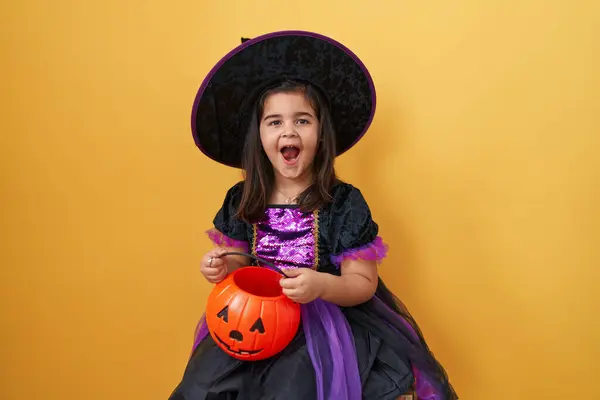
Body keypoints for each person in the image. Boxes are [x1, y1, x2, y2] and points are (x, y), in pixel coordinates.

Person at [170, 31, 458, 400]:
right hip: (252, 321)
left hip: (321, 329)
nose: (288, 130)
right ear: (258, 136)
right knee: (202, 388)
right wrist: (222, 267)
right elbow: (241, 262)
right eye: (274, 122)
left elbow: (362, 283)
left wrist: (321, 286)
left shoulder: (343, 203)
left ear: (321, 133)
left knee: (293, 390)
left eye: (302, 121)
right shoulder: (243, 199)